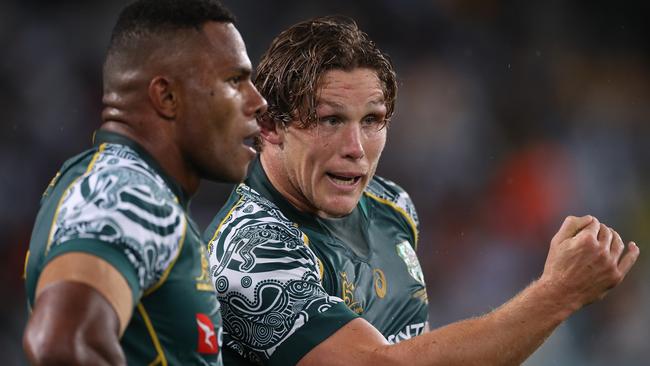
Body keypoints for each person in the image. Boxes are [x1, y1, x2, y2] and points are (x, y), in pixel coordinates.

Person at [203, 16, 640, 366]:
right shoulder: (250, 250)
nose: (356, 149)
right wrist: (558, 293)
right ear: (269, 126)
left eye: (372, 120)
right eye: (330, 120)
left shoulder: (392, 205)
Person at [22, 0, 267, 364]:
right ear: (166, 96)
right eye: (235, 80)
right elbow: (61, 345)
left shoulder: (136, 188)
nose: (258, 101)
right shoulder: (123, 191)